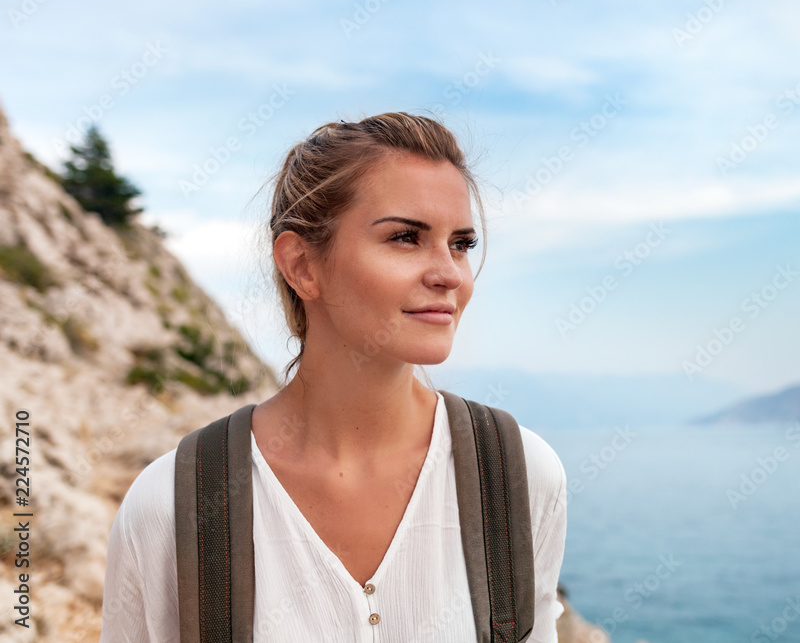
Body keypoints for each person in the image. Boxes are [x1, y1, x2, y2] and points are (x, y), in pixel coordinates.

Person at [99, 112, 568, 642]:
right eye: (405, 238)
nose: (449, 275)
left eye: (461, 244)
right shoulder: (172, 505)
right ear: (301, 265)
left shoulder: (517, 476)